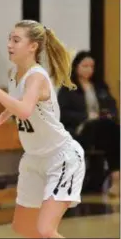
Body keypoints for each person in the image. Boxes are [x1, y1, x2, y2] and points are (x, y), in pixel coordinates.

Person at [0, 20, 85, 238]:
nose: (10, 44)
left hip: (61, 158)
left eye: (16, 40)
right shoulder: (14, 73)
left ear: (33, 46)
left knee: (45, 230)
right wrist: (1, 117)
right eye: (9, 38)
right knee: (23, 228)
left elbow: (25, 109)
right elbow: (16, 101)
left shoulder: (37, 77)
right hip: (33, 159)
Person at [58, 51, 119, 197]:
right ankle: (116, 177)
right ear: (76, 67)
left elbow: (112, 106)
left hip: (101, 129)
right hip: (79, 130)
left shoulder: (100, 87)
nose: (88, 69)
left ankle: (116, 177)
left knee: (112, 128)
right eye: (84, 66)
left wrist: (109, 114)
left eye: (91, 66)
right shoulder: (68, 88)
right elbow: (63, 113)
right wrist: (86, 116)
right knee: (110, 130)